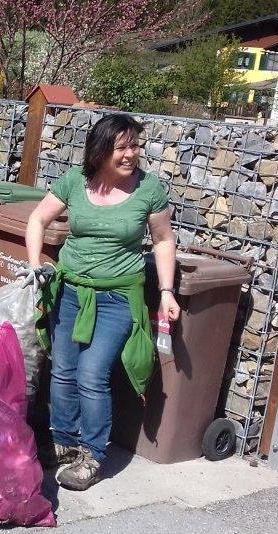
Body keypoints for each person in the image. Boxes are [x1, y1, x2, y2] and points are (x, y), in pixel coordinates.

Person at [23, 113, 180, 491]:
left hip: (117, 297)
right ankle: (63, 442)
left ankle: (93, 454)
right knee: (63, 369)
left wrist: (166, 291)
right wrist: (35, 263)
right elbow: (37, 219)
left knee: (92, 374)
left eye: (135, 146)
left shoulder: (148, 189)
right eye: (121, 147)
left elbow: (163, 240)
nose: (131, 154)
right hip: (70, 292)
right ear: (100, 150)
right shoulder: (75, 182)